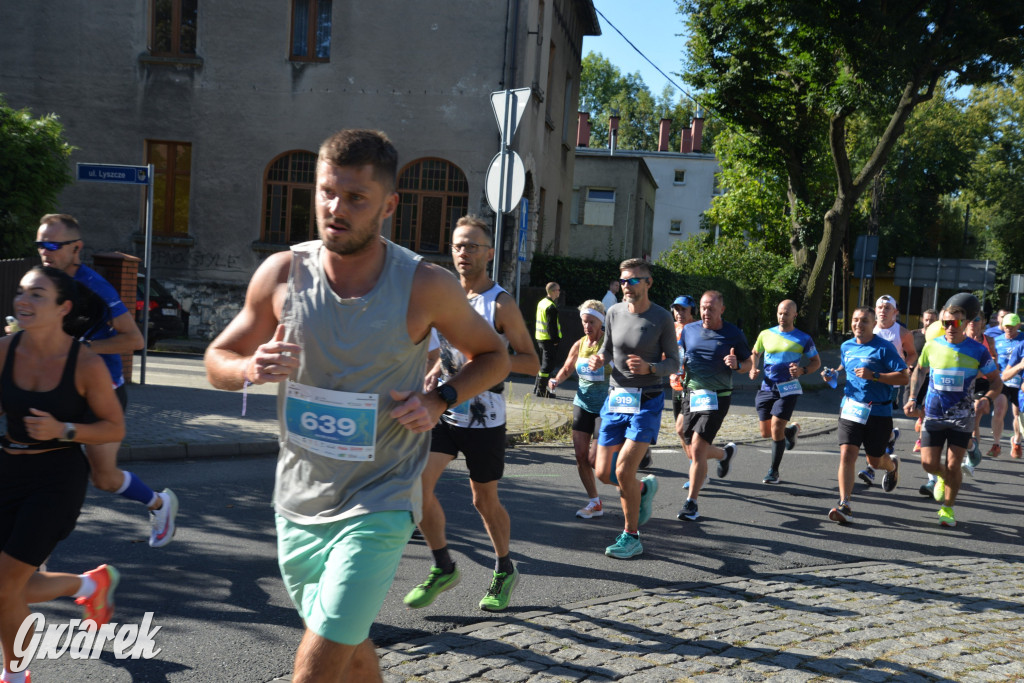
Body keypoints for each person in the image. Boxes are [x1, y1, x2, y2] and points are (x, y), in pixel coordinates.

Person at [203, 130, 509, 682]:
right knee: (349, 643)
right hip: (298, 498)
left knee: (319, 660)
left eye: (355, 198)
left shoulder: (424, 285)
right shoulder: (282, 274)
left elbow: (494, 355)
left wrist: (441, 398)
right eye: (326, 193)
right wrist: (249, 369)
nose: (334, 209)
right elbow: (217, 358)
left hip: (382, 497)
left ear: (389, 205)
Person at [403, 215, 538, 613]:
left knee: (484, 501)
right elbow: (436, 355)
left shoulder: (500, 303)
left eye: (473, 246)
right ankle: (444, 565)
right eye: (459, 245)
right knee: (416, 488)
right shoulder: (443, 297)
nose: (464, 253)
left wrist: (490, 361)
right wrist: (433, 374)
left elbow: (531, 362)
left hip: (485, 418)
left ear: (489, 253)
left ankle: (504, 568)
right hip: (443, 412)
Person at [1, 266, 125, 683]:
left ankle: (16, 676)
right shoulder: (4, 350)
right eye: (22, 292)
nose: (23, 301)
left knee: (5, 586)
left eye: (37, 295)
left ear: (63, 307)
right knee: (12, 585)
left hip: (55, 479)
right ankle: (88, 587)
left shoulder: (86, 364)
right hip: (8, 470)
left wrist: (64, 429)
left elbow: (114, 427)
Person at [32, 214, 177, 548]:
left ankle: (159, 503)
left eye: (53, 245)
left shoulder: (94, 286)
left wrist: (81, 348)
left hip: (101, 394)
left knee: (105, 479)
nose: (45, 251)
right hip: (57, 391)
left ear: (76, 249)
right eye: (40, 244)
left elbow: (134, 340)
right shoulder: (40, 282)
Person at [588, 259, 678, 559]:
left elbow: (674, 363)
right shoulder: (613, 312)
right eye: (623, 280)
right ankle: (641, 490)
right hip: (616, 398)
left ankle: (631, 535)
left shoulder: (662, 318)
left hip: (648, 400)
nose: (626, 285)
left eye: (633, 281)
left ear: (648, 283)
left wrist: (651, 366)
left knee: (624, 468)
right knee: (603, 472)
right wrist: (600, 359)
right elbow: (607, 347)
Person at [906, 301, 1001, 528]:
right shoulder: (932, 346)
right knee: (928, 464)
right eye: (946, 322)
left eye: (957, 322)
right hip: (934, 415)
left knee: (953, 465)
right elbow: (919, 371)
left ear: (966, 323)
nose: (951, 327)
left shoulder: (978, 351)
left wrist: (987, 399)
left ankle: (947, 508)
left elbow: (996, 381)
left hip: (962, 417)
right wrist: (912, 398)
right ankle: (940, 477)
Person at [824, 307, 908, 524]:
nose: (858, 325)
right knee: (847, 455)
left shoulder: (884, 348)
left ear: (873, 325)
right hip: (851, 408)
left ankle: (892, 466)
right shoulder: (846, 346)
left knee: (875, 460)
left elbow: (903, 377)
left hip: (878, 411)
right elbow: (846, 364)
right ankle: (845, 504)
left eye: (864, 321)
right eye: (855, 320)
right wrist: (834, 373)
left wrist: (875, 376)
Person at [676, 290, 752, 522]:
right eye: (703, 308)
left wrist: (736, 363)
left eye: (711, 308)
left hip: (717, 396)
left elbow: (749, 364)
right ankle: (724, 453)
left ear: (722, 309)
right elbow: (680, 355)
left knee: (698, 449)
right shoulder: (689, 330)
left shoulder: (733, 334)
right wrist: (677, 368)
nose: (706, 312)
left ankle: (692, 503)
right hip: (691, 393)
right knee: (682, 433)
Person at [547, 300, 611, 519]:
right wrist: (556, 380)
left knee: (596, 460)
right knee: (581, 456)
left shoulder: (609, 345)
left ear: (601, 322)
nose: (587, 326)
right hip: (582, 403)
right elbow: (567, 368)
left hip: (605, 407)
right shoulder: (579, 344)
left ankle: (634, 488)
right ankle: (595, 502)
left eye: (591, 322)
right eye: (584, 322)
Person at [749, 300, 821, 484]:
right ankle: (790, 432)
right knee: (766, 433)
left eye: (786, 314)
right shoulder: (765, 334)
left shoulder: (803, 338)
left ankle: (773, 471)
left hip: (789, 388)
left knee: (776, 427)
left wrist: (802, 371)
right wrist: (753, 368)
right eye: (780, 313)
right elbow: (755, 353)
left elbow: (816, 363)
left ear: (794, 315)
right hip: (767, 387)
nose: (782, 317)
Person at [858, 295, 917, 487]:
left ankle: (870, 469)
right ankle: (890, 436)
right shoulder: (868, 328)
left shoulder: (902, 332)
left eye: (887, 308)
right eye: (880, 307)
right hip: (868, 383)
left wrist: (905, 366)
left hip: (890, 383)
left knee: (875, 421)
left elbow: (912, 353)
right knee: (870, 421)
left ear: (895, 312)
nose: (882, 311)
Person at [990, 313, 1024, 458]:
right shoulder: (996, 340)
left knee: (1017, 414)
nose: (1009, 329)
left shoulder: (1022, 341)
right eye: (1006, 326)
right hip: (1003, 380)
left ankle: (1016, 441)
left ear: (1018, 326)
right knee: (999, 409)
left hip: (1019, 382)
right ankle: (996, 444)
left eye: (1012, 326)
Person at [910, 308, 938, 453]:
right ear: (922, 320)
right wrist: (907, 364)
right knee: (910, 410)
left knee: (927, 408)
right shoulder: (913, 334)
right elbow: (904, 353)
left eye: (932, 320)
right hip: (915, 376)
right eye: (926, 319)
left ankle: (920, 441)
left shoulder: (940, 337)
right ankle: (920, 417)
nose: (929, 323)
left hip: (931, 378)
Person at [669, 296, 697, 421]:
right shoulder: (669, 328)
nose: (679, 313)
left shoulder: (699, 328)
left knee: (688, 424)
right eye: (676, 309)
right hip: (676, 383)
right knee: (678, 425)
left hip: (694, 383)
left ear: (692, 311)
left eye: (683, 309)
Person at [533, 282, 562, 397]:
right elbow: (552, 326)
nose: (559, 292)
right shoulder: (551, 307)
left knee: (544, 364)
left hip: (540, 337)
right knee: (548, 366)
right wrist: (555, 340)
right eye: (558, 290)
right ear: (552, 291)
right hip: (548, 339)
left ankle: (537, 388)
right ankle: (541, 391)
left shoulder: (542, 303)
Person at [1000, 332, 1024, 459]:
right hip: (1021, 395)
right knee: (1015, 414)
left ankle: (1017, 440)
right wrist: (1020, 366)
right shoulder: (1021, 347)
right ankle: (1017, 440)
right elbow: (1005, 375)